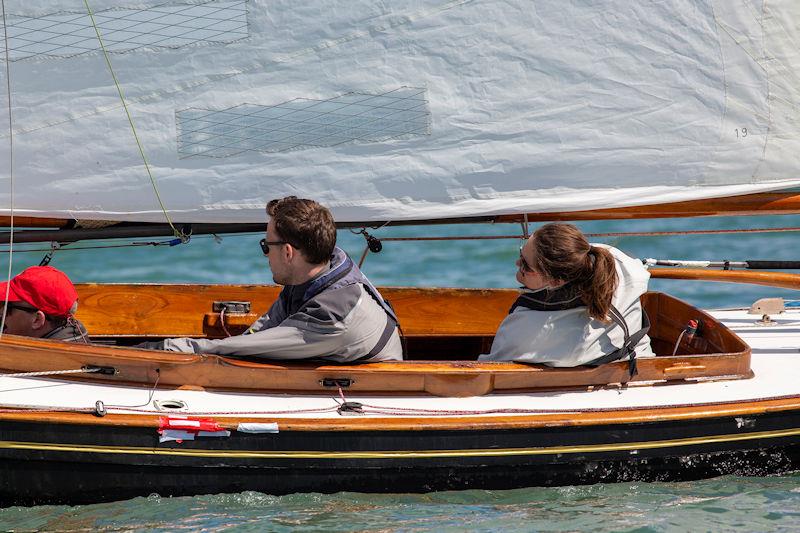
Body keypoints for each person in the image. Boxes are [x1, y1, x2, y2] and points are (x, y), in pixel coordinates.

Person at [140, 197, 403, 362]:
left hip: (374, 388)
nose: (265, 255)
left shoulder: (331, 317)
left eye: (267, 246)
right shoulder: (322, 266)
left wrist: (164, 348)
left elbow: (243, 347)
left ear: (288, 252)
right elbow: (262, 332)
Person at [479, 223, 654, 372]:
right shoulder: (619, 264)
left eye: (526, 265)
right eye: (521, 254)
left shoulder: (525, 332)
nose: (517, 263)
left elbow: (491, 369)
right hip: (643, 368)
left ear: (555, 281)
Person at [0, 266, 89, 342]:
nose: (1, 313)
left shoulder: (38, 361)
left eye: (8, 307)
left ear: (37, 320)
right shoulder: (72, 335)